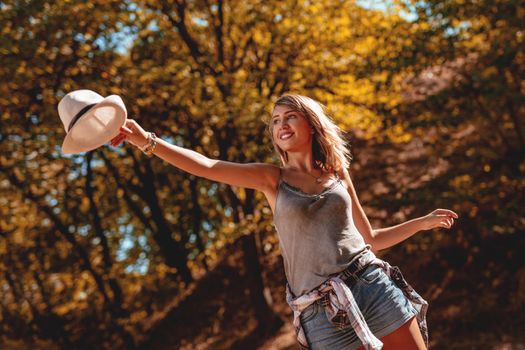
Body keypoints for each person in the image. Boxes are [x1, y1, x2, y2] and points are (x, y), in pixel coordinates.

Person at [110, 94, 458, 349]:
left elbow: (369, 238)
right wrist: (147, 142)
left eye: (290, 116)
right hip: (321, 311)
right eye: (275, 121)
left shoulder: (338, 174)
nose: (281, 125)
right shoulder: (271, 179)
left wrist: (421, 222)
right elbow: (207, 166)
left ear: (310, 124)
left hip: (371, 285)